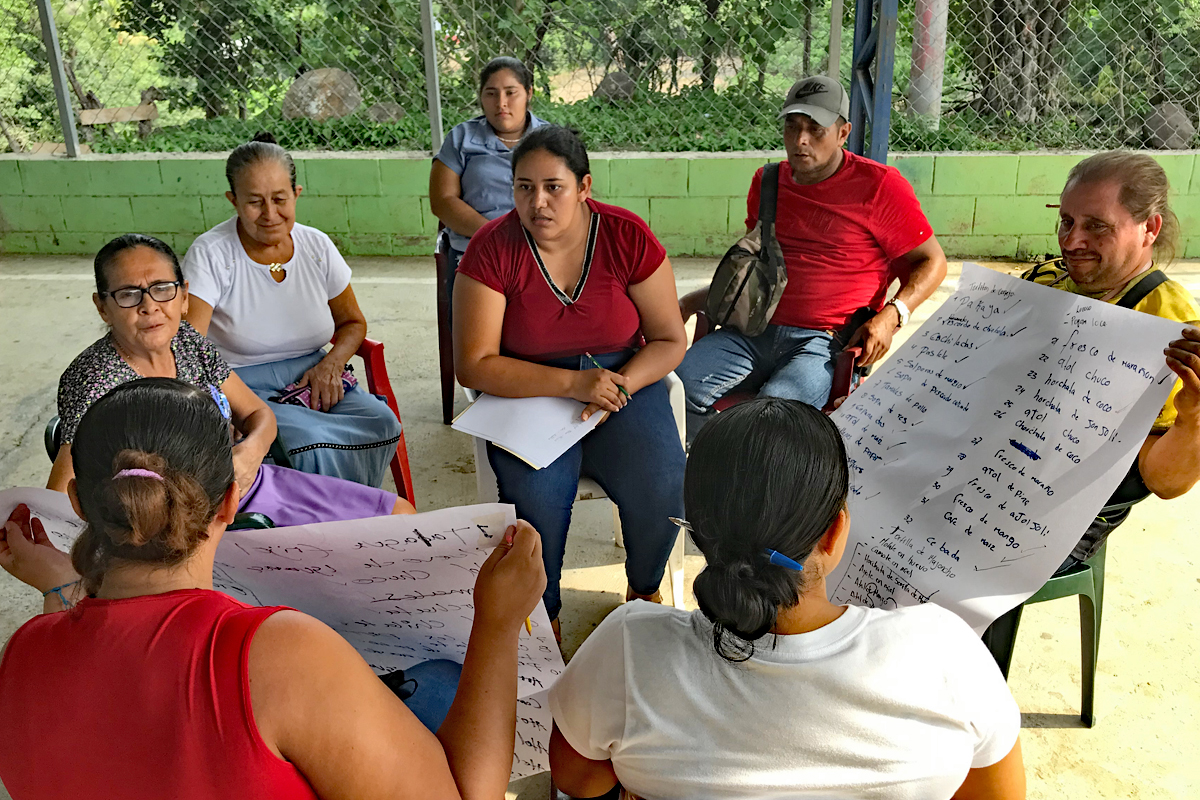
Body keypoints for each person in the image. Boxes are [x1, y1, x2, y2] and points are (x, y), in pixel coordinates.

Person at [0, 378, 547, 799]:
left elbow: (105, 679)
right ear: (230, 502)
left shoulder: (22, 655)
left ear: (77, 503)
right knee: (445, 688)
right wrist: (497, 622)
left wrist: (60, 581)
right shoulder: (279, 654)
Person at [547, 398, 1025, 800]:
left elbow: (579, 780)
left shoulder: (628, 647)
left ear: (697, 532)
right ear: (835, 531)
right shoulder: (944, 651)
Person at [454, 125, 687, 636]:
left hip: (621, 383)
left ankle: (644, 588)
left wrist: (621, 383)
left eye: (553, 187)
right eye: (524, 187)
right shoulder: (492, 249)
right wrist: (571, 384)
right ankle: (545, 615)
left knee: (662, 479)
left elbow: (671, 340)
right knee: (537, 496)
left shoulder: (626, 236)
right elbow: (473, 364)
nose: (538, 202)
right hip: (529, 389)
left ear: (584, 187)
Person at [983, 151, 1200, 650]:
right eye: (1066, 221)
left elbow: (1164, 482)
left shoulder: (1171, 329)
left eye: (1097, 226)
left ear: (1149, 228)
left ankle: (970, 711)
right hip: (991, 463)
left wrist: (1192, 418)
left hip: (1067, 507)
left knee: (960, 567)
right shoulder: (1046, 280)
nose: (1072, 241)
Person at [49, 234, 413, 526]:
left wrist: (250, 454)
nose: (150, 306)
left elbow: (260, 416)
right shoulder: (97, 378)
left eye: (163, 288)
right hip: (178, 529)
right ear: (102, 307)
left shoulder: (189, 344)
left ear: (184, 297)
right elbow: (62, 496)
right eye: (128, 295)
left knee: (399, 516)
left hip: (244, 487)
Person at [676, 75, 948, 417]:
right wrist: (689, 301)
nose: (800, 140)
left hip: (823, 343)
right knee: (673, 390)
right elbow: (753, 271)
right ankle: (711, 466)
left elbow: (932, 262)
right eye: (792, 126)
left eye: (816, 129)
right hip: (753, 329)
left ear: (843, 133)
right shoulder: (769, 183)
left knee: (774, 416)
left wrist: (892, 315)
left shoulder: (879, 187)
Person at [182, 133, 401, 489]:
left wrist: (331, 364)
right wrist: (219, 405)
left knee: (381, 422)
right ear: (233, 201)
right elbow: (189, 344)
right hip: (240, 383)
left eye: (280, 199)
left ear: (296, 195)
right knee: (304, 440)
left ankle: (351, 511)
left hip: (313, 377)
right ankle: (323, 527)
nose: (270, 214)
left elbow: (352, 323)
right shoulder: (212, 253)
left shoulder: (316, 245)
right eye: (254, 202)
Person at [430, 56, 549, 290]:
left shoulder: (551, 140)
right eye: (491, 93)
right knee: (474, 321)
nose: (501, 103)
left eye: (511, 92)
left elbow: (572, 199)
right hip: (475, 248)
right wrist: (493, 236)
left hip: (540, 249)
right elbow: (442, 201)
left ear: (529, 93)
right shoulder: (461, 138)